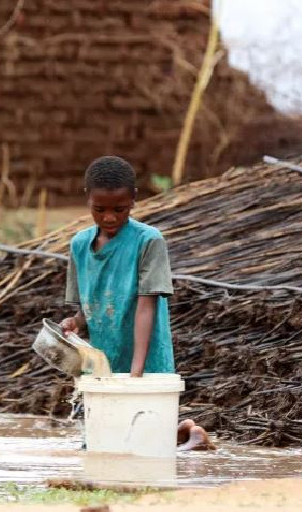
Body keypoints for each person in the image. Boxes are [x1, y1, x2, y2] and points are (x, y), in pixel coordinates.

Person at [60, 155, 213, 452]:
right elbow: (91, 305)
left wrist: (136, 374)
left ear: (133, 200)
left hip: (145, 353)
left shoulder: (148, 241)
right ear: (87, 199)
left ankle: (191, 438)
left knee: (141, 441)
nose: (109, 217)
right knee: (105, 442)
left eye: (119, 209)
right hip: (105, 356)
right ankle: (185, 434)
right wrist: (75, 322)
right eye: (99, 209)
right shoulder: (79, 245)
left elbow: (147, 306)